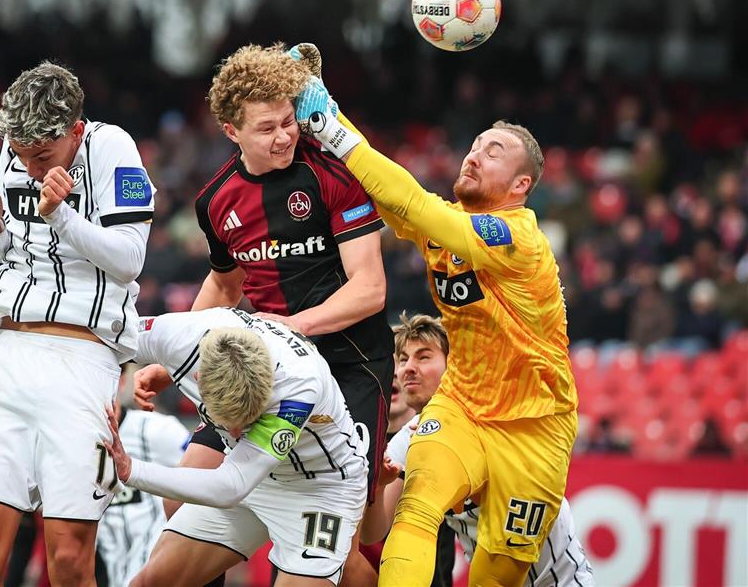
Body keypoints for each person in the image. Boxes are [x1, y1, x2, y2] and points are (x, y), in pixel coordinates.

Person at [293, 62, 579, 587]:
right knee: (417, 510)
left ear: (521, 185)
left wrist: (330, 124)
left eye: (494, 151)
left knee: (499, 572)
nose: (474, 153)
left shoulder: (517, 238)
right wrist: (325, 119)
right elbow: (389, 192)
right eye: (476, 143)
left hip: (535, 427)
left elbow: (413, 202)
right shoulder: (446, 226)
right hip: (463, 405)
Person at [141, 43, 393, 586]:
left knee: (351, 538)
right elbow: (226, 284)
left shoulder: (332, 176)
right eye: (266, 128)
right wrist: (172, 360)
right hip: (268, 372)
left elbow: (370, 289)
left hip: (350, 366)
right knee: (178, 500)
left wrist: (290, 328)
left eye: (288, 122)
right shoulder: (216, 201)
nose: (283, 137)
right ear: (231, 131)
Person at [0, 61, 155, 586]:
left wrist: (62, 216)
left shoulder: (113, 148)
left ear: (73, 131)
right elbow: (16, 253)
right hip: (6, 356)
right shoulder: (17, 148)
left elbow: (130, 258)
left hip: (81, 360)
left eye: (40, 155)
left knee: (68, 559)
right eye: (18, 154)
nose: (26, 165)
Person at [108, 307, 369, 587]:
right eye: (225, 419)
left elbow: (230, 486)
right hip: (250, 473)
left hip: (320, 489)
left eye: (248, 421)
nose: (234, 432)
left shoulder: (298, 387)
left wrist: (132, 470)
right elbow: (98, 334)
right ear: (198, 378)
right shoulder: (178, 335)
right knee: (150, 583)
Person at [363, 314, 594, 587]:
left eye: (423, 357)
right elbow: (371, 534)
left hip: (560, 580)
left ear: (456, 365)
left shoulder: (498, 413)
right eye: (403, 359)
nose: (408, 369)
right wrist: (378, 488)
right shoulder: (409, 439)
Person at [97, 372, 190, 587]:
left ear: (120, 381)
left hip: (156, 571)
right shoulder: (70, 443)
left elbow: (208, 473)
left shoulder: (158, 429)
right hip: (103, 569)